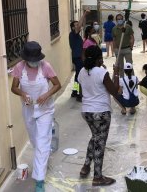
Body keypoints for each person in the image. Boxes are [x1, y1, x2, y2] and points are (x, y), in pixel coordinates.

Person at [10, 41, 62, 192]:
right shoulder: (19, 67)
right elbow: (14, 87)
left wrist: (46, 95)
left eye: (36, 60)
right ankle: (43, 157)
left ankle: (39, 180)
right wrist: (23, 93)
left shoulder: (45, 66)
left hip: (45, 110)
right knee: (35, 140)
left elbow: (57, 84)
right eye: (31, 60)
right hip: (28, 109)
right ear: (26, 59)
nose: (34, 63)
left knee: (42, 142)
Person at [78, 45, 124, 186]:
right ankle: (97, 177)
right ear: (99, 58)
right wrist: (116, 73)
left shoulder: (81, 71)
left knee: (95, 138)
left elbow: (81, 92)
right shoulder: (101, 72)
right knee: (100, 144)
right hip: (101, 113)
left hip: (87, 112)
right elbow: (114, 91)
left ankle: (86, 167)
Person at [69, 11, 89, 101]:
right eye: (76, 25)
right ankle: (78, 93)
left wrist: (84, 17)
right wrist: (84, 14)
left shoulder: (76, 35)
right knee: (80, 75)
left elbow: (82, 25)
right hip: (78, 57)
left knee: (77, 74)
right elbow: (80, 26)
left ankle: (75, 91)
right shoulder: (73, 34)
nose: (78, 26)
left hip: (78, 57)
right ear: (73, 27)